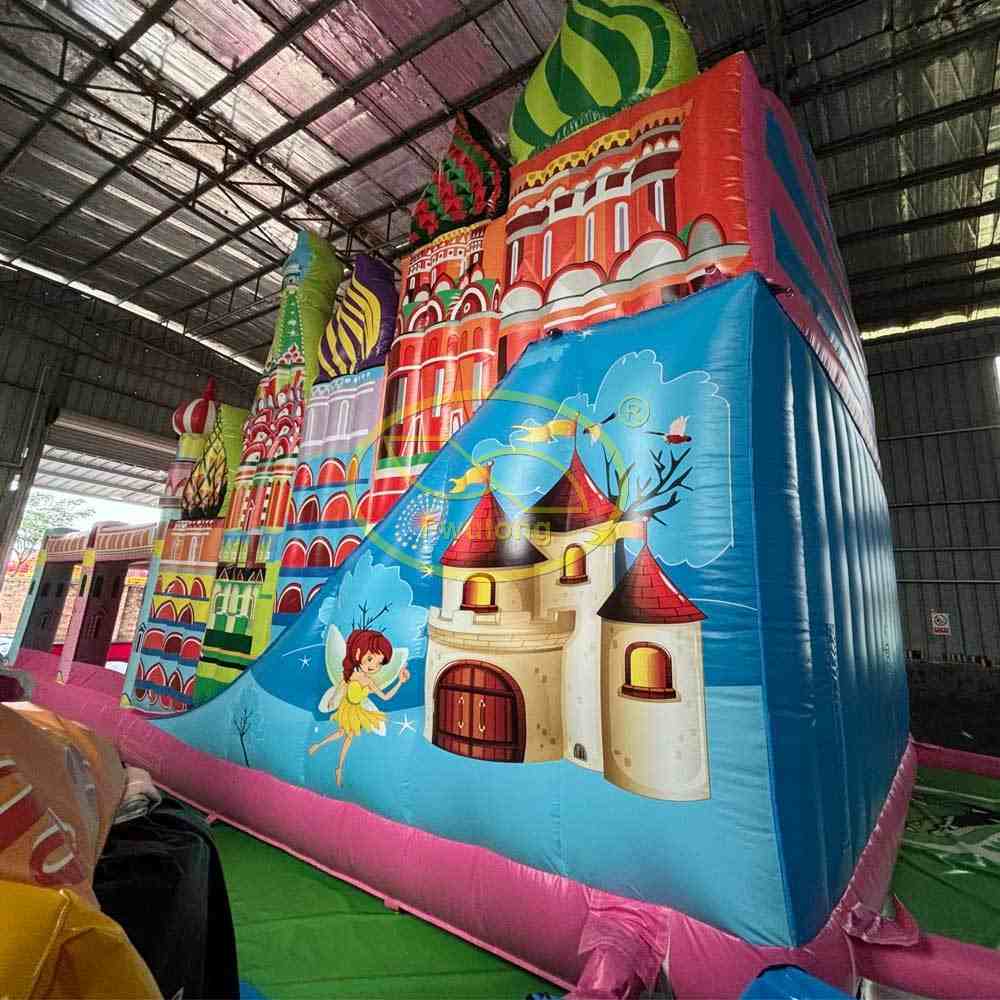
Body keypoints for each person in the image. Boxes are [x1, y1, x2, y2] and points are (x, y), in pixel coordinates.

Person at [308, 627, 409, 787]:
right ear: (357, 654)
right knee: (343, 734)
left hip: (357, 711)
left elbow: (385, 697)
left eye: (379, 663)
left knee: (346, 735)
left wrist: (399, 683)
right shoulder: (352, 675)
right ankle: (329, 758)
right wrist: (333, 699)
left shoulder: (369, 682)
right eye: (370, 659)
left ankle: (336, 765)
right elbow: (342, 685)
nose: (373, 665)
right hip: (347, 707)